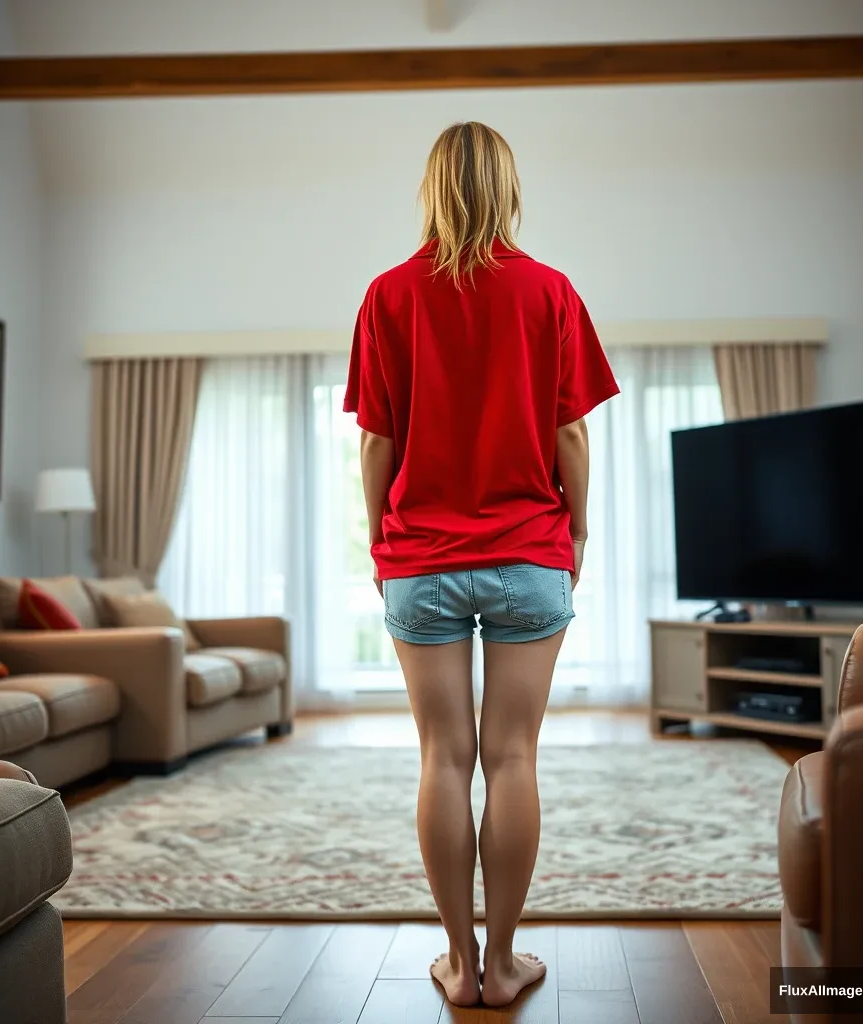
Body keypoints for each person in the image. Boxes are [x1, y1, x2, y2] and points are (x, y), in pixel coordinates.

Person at [343, 121, 619, 1008]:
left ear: (431, 188)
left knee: (441, 758)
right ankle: (504, 967)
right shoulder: (551, 292)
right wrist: (576, 533)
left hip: (419, 557)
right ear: (507, 188)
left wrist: (381, 541)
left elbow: (378, 440)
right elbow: (569, 432)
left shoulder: (387, 296)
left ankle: (458, 967)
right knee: (512, 758)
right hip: (528, 551)